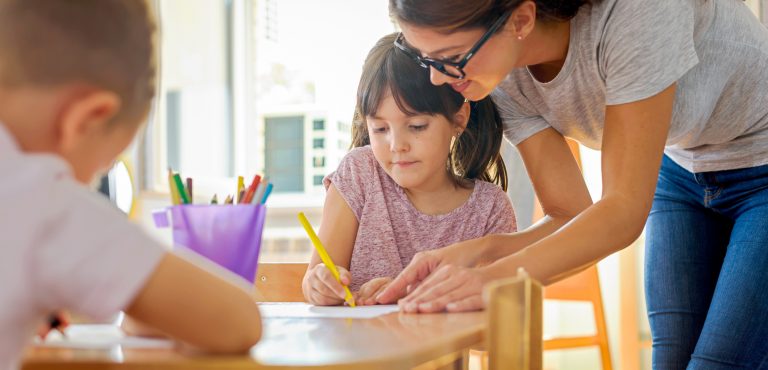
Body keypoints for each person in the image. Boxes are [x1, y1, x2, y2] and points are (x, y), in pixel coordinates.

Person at [375, 0, 768, 368]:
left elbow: (622, 211)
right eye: (424, 57)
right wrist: (478, 253)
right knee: (672, 359)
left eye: (452, 58)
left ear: (521, 20)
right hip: (682, 167)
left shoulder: (637, 11)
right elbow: (570, 214)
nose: (437, 78)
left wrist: (491, 280)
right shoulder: (503, 76)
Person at [0, 1, 262, 369]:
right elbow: (239, 321)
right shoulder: (44, 200)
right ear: (86, 119)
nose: (88, 185)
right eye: (98, 170)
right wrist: (142, 299)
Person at [302, 33, 516, 306]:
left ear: (459, 119)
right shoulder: (359, 173)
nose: (396, 145)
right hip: (355, 346)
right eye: (380, 129)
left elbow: (501, 309)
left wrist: (407, 293)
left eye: (416, 127)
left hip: (442, 350)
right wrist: (319, 285)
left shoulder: (490, 208)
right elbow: (315, 280)